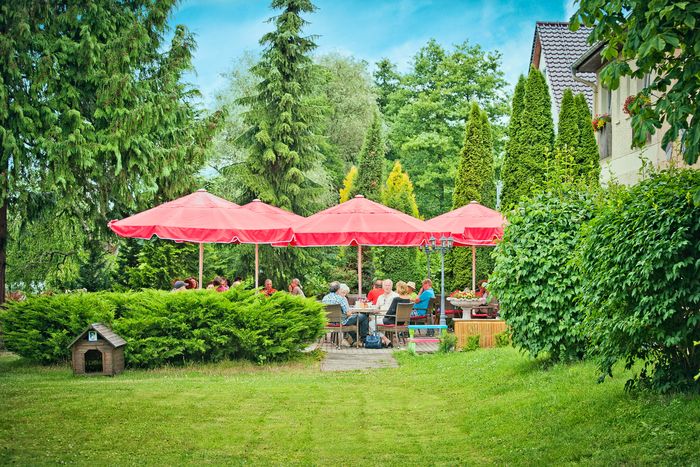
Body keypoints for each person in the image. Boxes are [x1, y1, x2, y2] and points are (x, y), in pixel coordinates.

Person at [322, 281, 368, 346]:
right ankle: (363, 340)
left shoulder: (324, 298)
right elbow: (348, 313)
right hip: (341, 322)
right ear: (338, 290)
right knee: (363, 317)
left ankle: (354, 340)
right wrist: (352, 312)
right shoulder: (341, 299)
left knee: (354, 319)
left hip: (328, 322)